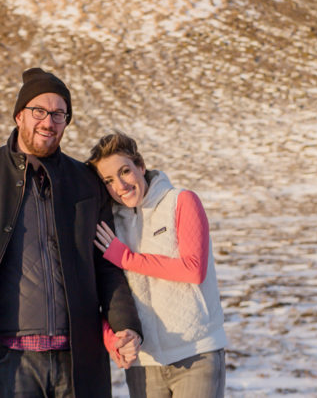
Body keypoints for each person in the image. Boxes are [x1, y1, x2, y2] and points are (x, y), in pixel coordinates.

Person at [0, 68, 143, 397]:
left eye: (59, 114)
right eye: (39, 111)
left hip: (77, 358)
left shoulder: (85, 181)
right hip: (4, 361)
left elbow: (106, 264)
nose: (48, 121)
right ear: (19, 116)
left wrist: (125, 324)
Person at [88, 131, 227, 398]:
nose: (120, 185)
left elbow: (194, 269)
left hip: (196, 354)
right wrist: (113, 340)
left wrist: (127, 258)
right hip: (144, 363)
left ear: (140, 166)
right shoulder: (112, 224)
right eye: (108, 180)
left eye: (125, 171)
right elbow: (107, 291)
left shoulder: (181, 201)